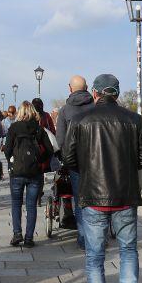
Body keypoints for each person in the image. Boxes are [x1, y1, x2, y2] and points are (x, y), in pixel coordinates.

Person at [62, 73, 142, 283]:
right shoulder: (133, 120)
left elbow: (69, 158)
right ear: (117, 93)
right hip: (125, 196)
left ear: (95, 93)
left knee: (94, 257)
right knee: (128, 250)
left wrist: (89, 170)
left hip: (93, 196)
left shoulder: (80, 119)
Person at [5, 101, 53, 247]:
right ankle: (29, 238)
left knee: (16, 203)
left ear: (20, 112)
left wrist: (12, 161)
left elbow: (7, 149)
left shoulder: (14, 127)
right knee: (31, 205)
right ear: (33, 112)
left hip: (17, 172)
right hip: (34, 172)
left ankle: (17, 233)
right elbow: (50, 150)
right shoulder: (39, 129)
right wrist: (40, 160)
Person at [56, 75, 94, 248]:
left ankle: (83, 238)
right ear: (86, 88)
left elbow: (60, 140)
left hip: (75, 163)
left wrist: (65, 158)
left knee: (79, 199)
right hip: (96, 161)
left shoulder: (65, 111)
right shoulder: (95, 108)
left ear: (70, 88)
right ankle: (97, 236)